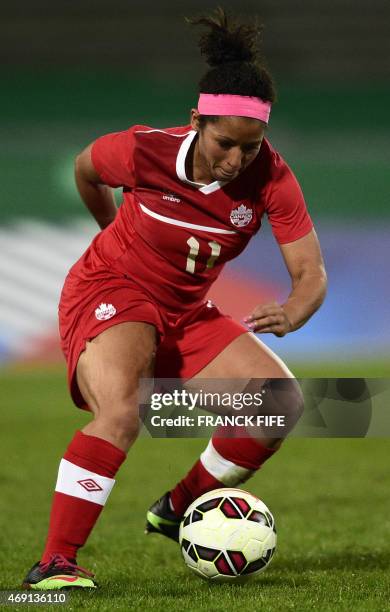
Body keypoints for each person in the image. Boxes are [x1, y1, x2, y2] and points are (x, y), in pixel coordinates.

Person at [22, 8, 327, 590]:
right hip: (112, 290)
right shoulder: (142, 151)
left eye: (251, 145)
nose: (236, 159)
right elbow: (86, 169)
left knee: (277, 406)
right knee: (122, 411)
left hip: (184, 311)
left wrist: (295, 308)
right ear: (196, 122)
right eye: (225, 143)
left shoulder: (272, 179)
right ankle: (54, 565)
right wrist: (108, 227)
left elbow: (310, 272)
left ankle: (176, 508)